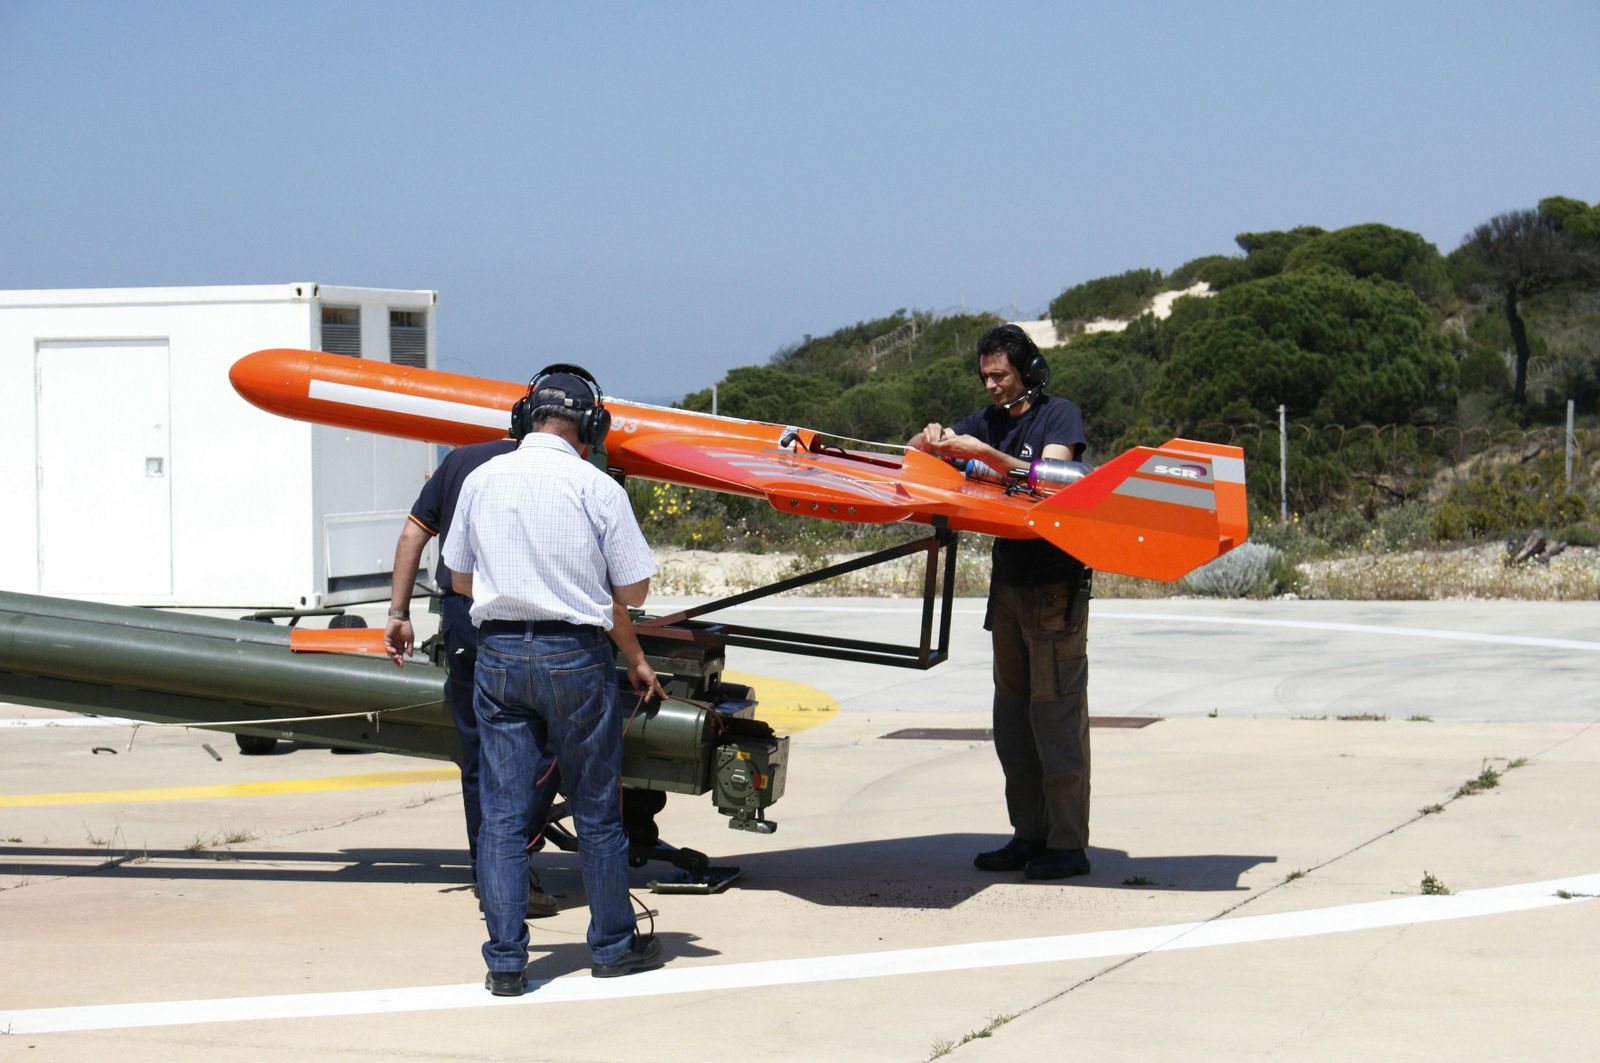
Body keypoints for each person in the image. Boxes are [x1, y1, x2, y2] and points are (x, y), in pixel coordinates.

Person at [443, 364, 667, 995]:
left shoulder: (482, 479)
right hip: (576, 655)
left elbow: (458, 578)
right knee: (597, 810)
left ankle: (506, 962)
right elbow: (635, 589)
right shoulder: (597, 488)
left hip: (500, 654)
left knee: (503, 816)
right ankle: (612, 946)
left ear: (525, 417)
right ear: (592, 427)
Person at [909, 323, 1094, 881]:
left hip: (1055, 584)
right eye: (985, 376)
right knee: (1012, 721)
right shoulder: (986, 422)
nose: (991, 386)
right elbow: (923, 454)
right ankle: (1029, 834)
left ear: (1028, 371)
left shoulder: (1058, 414)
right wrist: (930, 439)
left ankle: (1067, 844)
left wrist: (985, 454)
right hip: (1010, 584)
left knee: (1055, 714)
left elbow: (1058, 481)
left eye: (1001, 375)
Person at [382, 404, 562, 918]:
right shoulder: (557, 468)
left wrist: (398, 612)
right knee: (547, 744)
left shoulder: (460, 461)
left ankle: (491, 873)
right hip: (529, 619)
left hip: (462, 620)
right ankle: (511, 861)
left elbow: (412, 534)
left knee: (479, 753)